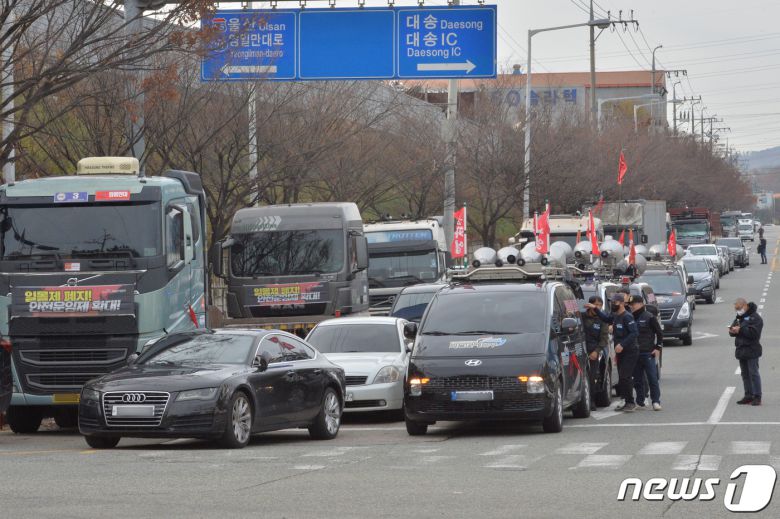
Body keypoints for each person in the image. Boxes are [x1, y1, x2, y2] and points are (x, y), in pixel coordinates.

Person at [585, 294, 639, 412]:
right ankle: (626, 401)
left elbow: (634, 333)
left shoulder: (627, 317)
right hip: (620, 352)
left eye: (614, 302)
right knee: (622, 377)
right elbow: (605, 318)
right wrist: (595, 308)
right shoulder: (615, 316)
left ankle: (631, 402)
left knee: (626, 377)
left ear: (621, 303)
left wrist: (622, 344)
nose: (612, 304)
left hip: (630, 351)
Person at [629, 295, 664, 411]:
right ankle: (640, 401)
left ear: (640, 304)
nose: (632, 307)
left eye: (633, 304)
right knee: (637, 379)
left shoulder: (649, 317)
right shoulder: (630, 317)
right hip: (634, 353)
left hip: (648, 352)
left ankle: (656, 401)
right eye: (630, 305)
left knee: (652, 378)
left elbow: (659, 333)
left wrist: (657, 347)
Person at [730, 298, 764, 406]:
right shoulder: (740, 317)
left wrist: (740, 330)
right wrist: (732, 331)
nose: (737, 311)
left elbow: (754, 333)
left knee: (753, 373)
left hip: (752, 349)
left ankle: (757, 396)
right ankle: (748, 395)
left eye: (739, 308)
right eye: (736, 309)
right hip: (741, 349)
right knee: (745, 374)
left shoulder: (755, 318)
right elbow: (734, 330)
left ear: (745, 306)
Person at [582, 295, 610, 410]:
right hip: (581, 350)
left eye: (600, 305)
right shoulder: (581, 316)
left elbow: (604, 339)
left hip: (594, 351)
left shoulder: (602, 319)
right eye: (596, 305)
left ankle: (592, 400)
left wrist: (596, 351)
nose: (598, 307)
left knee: (592, 376)